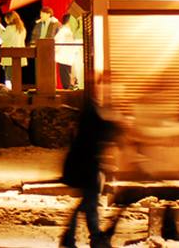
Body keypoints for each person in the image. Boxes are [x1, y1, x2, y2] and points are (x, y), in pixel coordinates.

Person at [60, 84, 121, 248]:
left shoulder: (93, 109)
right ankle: (91, 237)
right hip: (85, 164)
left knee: (89, 202)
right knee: (89, 202)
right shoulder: (92, 111)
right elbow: (102, 129)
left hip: (86, 163)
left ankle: (78, 237)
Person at [0, 10, 27, 88]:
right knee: (16, 75)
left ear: (9, 19)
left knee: (8, 76)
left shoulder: (10, 28)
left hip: (9, 55)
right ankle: (16, 89)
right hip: (19, 55)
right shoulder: (22, 28)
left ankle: (10, 91)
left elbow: (3, 37)